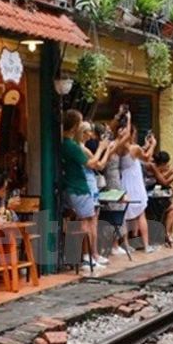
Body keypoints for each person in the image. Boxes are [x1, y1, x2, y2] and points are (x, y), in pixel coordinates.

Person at [61, 110, 105, 268]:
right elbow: (92, 164)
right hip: (79, 188)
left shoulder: (65, 144)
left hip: (72, 187)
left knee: (85, 221)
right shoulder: (71, 146)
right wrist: (101, 148)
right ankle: (87, 257)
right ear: (74, 127)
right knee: (86, 222)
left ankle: (85, 256)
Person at [117, 126, 157, 254]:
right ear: (132, 135)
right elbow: (146, 157)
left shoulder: (119, 148)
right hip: (135, 183)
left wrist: (145, 145)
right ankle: (146, 245)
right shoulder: (134, 148)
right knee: (141, 213)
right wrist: (152, 145)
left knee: (123, 214)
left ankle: (126, 244)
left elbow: (137, 154)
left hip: (124, 182)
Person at [146, 151, 173, 243]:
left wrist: (171, 172)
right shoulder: (152, 167)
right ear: (162, 163)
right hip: (150, 200)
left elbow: (161, 178)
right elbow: (164, 182)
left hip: (155, 198)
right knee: (171, 206)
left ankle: (167, 233)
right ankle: (164, 234)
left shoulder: (155, 168)